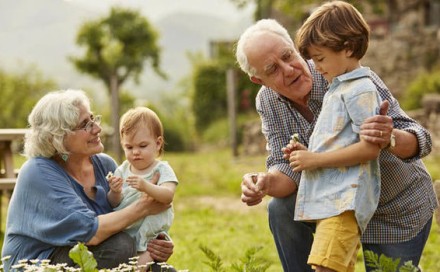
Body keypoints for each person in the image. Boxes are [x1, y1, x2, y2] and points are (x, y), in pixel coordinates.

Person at [235, 16, 437, 272]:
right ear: (259, 80)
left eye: (288, 56)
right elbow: (284, 166)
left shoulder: (347, 74)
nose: (288, 70)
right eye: (272, 69)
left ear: (296, 48)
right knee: (281, 208)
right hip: (335, 206)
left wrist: (390, 138)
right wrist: (264, 182)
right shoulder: (268, 101)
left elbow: (421, 138)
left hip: (393, 205)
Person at [1, 89, 175, 272]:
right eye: (85, 124)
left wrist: (157, 243)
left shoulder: (105, 165)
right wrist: (145, 206)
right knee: (120, 247)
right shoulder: (37, 172)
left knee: (162, 270)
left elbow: (125, 218)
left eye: (93, 119)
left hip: (90, 253)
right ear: (58, 137)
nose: (97, 128)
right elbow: (91, 232)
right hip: (40, 263)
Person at [286, 2, 382, 271]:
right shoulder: (338, 88)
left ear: (348, 48)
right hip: (331, 201)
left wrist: (315, 160)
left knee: (324, 268)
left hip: (344, 203)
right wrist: (304, 153)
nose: (316, 67)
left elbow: (369, 149)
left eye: (320, 58)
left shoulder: (360, 89)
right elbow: (339, 142)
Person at [107, 106, 178, 270]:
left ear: (158, 143)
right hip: (127, 228)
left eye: (142, 146)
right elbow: (113, 203)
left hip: (150, 233)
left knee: (138, 266)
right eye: (129, 147)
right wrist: (115, 191)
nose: (136, 152)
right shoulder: (122, 169)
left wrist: (146, 186)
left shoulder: (161, 169)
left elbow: (168, 196)